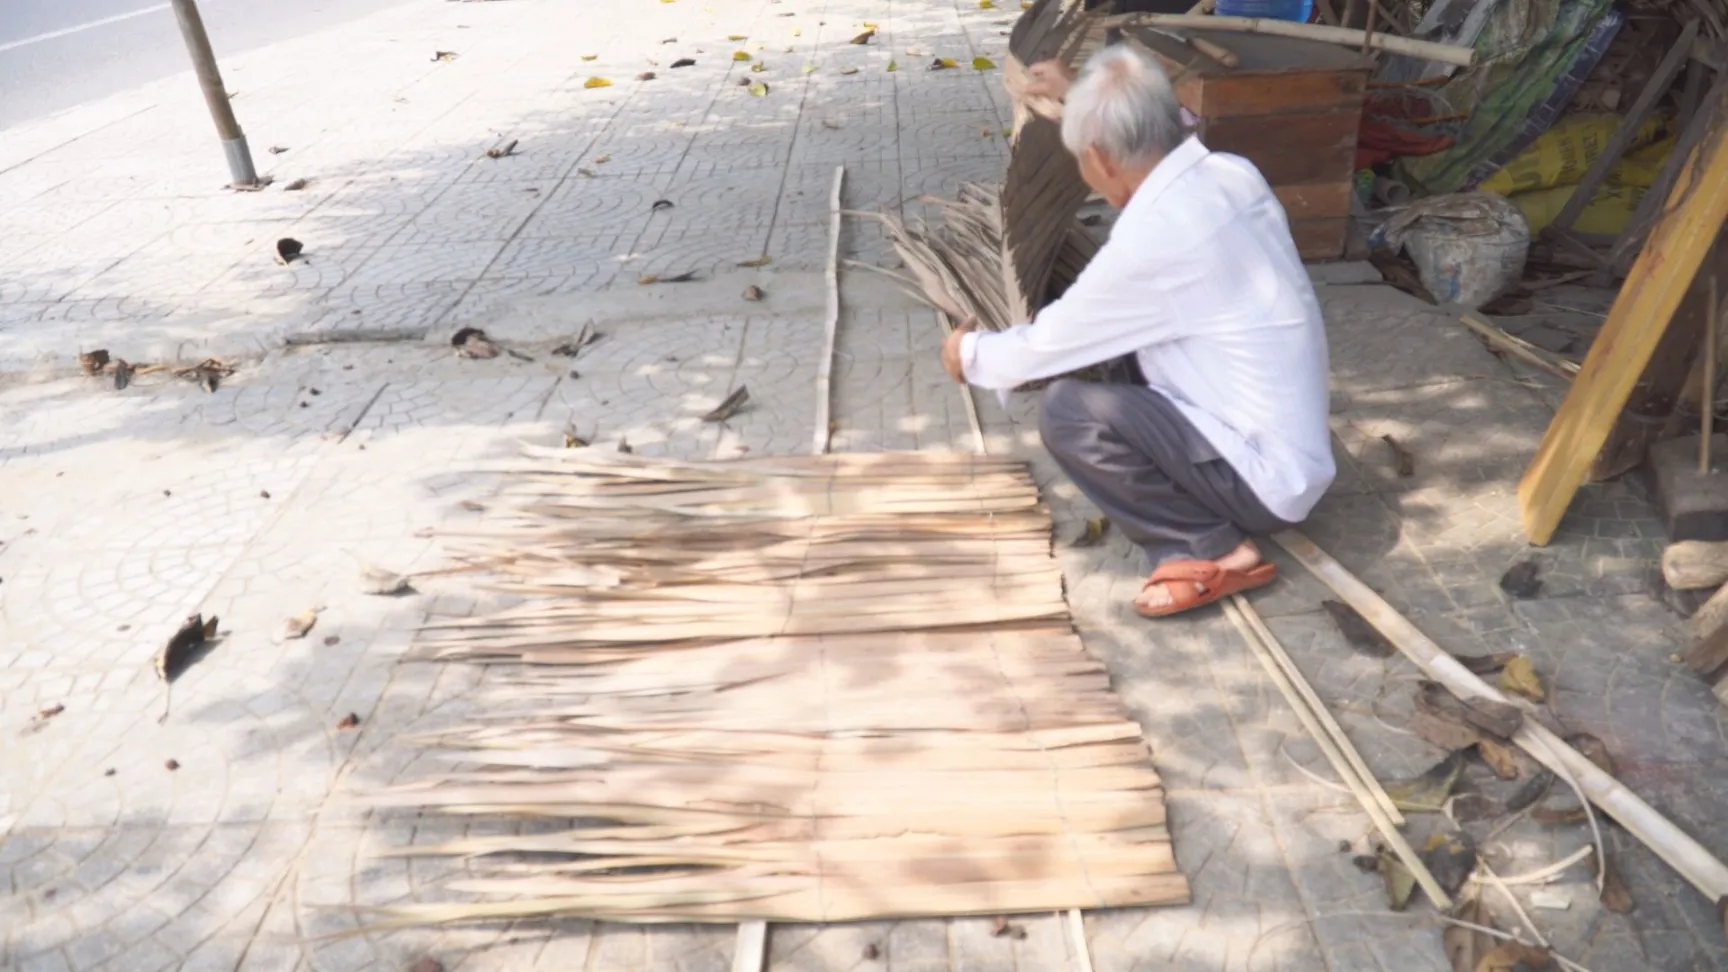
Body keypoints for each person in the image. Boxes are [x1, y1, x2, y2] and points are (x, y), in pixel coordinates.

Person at [940, 43, 1334, 618]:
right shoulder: (1229, 173)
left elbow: (1046, 345)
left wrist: (968, 354)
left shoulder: (1159, 238)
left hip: (1261, 482)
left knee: (1069, 411)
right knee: (1110, 352)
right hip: (1286, 450)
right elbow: (1156, 126)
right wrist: (1078, 93)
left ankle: (1212, 548)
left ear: (1098, 159)